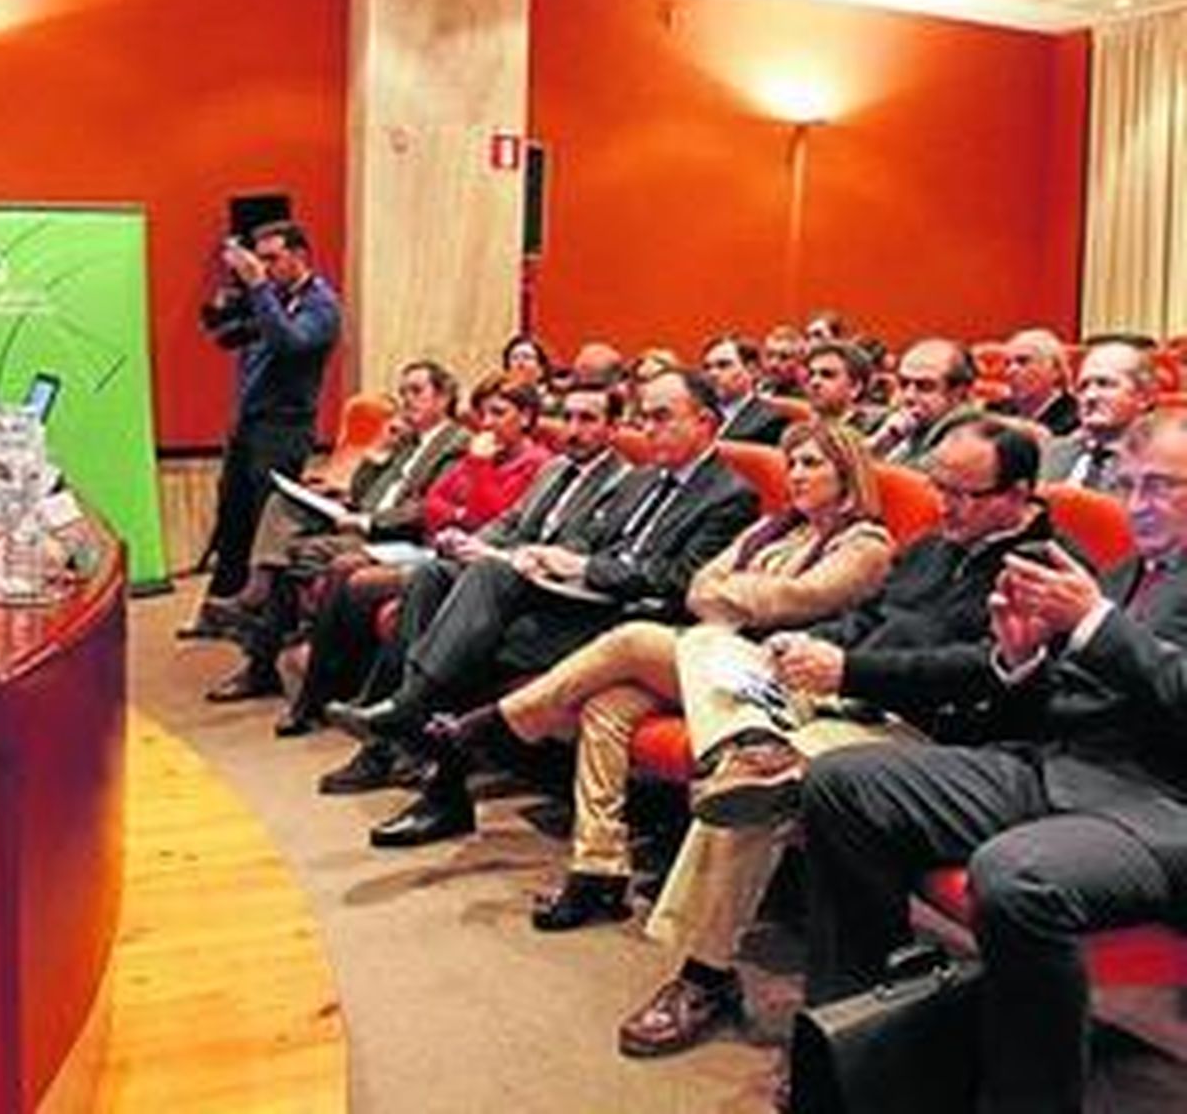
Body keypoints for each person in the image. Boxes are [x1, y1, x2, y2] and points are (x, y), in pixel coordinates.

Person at [606, 416, 1054, 1063]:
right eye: (939, 488)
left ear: (1019, 495)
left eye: (965, 495)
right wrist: (819, 646)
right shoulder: (934, 545)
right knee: (707, 644)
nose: (944, 505)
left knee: (755, 796)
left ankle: (703, 976)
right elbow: (869, 616)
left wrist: (851, 668)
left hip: (930, 741)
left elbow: (978, 670)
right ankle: (752, 748)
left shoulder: (1043, 571)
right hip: (846, 700)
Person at [799, 407, 1187, 1114]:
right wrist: (1019, 660)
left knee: (1016, 878)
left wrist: (1095, 624)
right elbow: (1061, 705)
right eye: (1129, 486)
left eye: (1162, 487)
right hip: (1056, 771)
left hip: (1159, 808)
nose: (1137, 504)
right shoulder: (1129, 569)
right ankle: (870, 1052)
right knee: (843, 782)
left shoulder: (1110, 590)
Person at [418, 420, 893, 923]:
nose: (796, 474)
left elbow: (795, 601)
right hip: (716, 655)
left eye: (812, 463)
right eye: (792, 462)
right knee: (608, 706)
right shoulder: (773, 528)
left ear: (848, 474)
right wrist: (735, 600)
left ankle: (495, 719)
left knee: (634, 638)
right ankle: (596, 873)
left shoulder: (866, 544)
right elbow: (700, 586)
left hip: (776, 677)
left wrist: (730, 598)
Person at [329, 368, 761, 847]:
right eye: (646, 418)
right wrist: (548, 559)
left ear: (705, 422)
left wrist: (584, 566)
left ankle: (416, 726)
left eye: (662, 417)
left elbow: (678, 582)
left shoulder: (730, 494)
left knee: (480, 621)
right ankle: (433, 769)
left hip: (632, 619)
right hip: (580, 598)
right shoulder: (643, 480)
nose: (650, 429)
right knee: (445, 584)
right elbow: (592, 538)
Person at [315, 379, 632, 795]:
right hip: (509, 577)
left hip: (551, 594)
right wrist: (476, 541)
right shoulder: (555, 468)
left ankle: (398, 727)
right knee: (431, 576)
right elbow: (509, 521)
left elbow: (573, 551)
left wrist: (494, 555)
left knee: (473, 595)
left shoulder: (623, 482)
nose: (573, 429)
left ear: (614, 427)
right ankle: (399, 728)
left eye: (588, 419)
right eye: (569, 417)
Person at [274, 375, 549, 736]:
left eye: (498, 413)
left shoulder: (536, 463)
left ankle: (334, 697)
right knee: (339, 569)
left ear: (526, 417)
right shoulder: (479, 452)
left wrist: (474, 481)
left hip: (462, 561)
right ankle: (333, 695)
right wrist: (460, 512)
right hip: (438, 548)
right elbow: (435, 502)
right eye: (483, 413)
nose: (487, 423)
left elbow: (489, 517)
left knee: (353, 576)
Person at [204, 360, 467, 702]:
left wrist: (368, 522)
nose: (406, 401)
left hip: (390, 535)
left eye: (416, 391)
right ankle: (258, 593)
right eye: (402, 392)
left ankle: (267, 657)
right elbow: (362, 492)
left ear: (444, 397)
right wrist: (381, 452)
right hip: (359, 516)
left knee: (300, 552)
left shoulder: (456, 444)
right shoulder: (406, 440)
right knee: (283, 505)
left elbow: (425, 509)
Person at [184, 220, 341, 636]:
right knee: (232, 520)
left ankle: (263, 629)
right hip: (248, 423)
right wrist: (226, 303)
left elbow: (290, 343)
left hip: (284, 429)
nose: (265, 267)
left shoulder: (321, 305)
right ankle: (218, 613)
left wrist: (257, 288)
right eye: (261, 259)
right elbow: (228, 338)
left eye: (273, 258)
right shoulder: (272, 298)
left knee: (265, 530)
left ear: (299, 256)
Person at [1039, 338, 1155, 494]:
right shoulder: (1052, 453)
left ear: (1144, 397)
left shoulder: (1166, 464)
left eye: (1104, 384)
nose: (1090, 396)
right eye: (1083, 386)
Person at [866, 337, 977, 466]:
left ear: (959, 393)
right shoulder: (886, 425)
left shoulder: (973, 443)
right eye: (903, 384)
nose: (909, 396)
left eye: (925, 386)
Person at [700, 335, 790, 445]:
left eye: (724, 365)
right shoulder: (698, 416)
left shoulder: (771, 420)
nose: (713, 374)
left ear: (752, 370)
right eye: (707, 367)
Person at [991, 327, 1077, 435]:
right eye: (1007, 364)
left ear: (1055, 370)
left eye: (1023, 361)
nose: (1011, 371)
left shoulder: (1076, 416)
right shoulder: (998, 410)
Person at [802, 339, 882, 433]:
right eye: (811, 375)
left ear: (855, 387)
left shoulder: (874, 431)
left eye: (827, 375)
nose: (814, 382)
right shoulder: (801, 433)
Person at [759, 326, 805, 398]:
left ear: (799, 359)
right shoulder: (761, 386)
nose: (773, 364)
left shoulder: (810, 389)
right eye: (769, 355)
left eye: (784, 357)